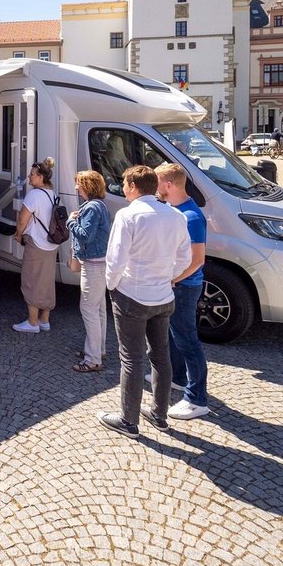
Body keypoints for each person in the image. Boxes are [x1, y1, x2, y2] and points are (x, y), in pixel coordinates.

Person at [98, 165, 191, 439]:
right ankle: (159, 415)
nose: (123, 188)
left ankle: (129, 420)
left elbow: (115, 259)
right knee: (161, 357)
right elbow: (185, 258)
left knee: (131, 358)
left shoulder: (128, 216)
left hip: (132, 295)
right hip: (163, 295)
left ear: (134, 187)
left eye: (125, 184)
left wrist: (112, 286)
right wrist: (169, 277)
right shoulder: (175, 216)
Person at [156, 163, 211, 420]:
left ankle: (197, 399)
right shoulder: (174, 210)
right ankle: (178, 378)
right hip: (177, 285)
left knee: (188, 341)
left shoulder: (190, 216)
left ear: (168, 185)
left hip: (184, 287)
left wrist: (173, 279)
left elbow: (197, 259)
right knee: (174, 335)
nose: (154, 187)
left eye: (156, 182)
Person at [67, 170, 111, 371]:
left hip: (93, 265)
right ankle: (97, 349)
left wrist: (70, 221)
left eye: (79, 183)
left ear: (87, 186)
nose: (76, 187)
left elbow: (85, 236)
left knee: (89, 310)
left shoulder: (92, 208)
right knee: (99, 309)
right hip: (101, 263)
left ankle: (93, 360)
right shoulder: (99, 205)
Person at [13, 158, 60, 333]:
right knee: (47, 281)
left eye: (32, 174)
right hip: (51, 243)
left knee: (31, 280)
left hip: (36, 243)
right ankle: (44, 320)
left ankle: (32, 322)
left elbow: (22, 220)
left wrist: (18, 235)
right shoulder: (52, 193)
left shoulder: (33, 195)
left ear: (40, 177)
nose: (29, 177)